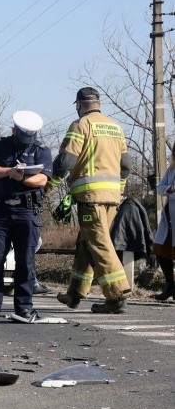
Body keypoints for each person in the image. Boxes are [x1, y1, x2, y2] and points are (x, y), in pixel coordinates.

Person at [49, 87, 133, 314]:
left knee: (99, 243)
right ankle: (75, 293)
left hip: (90, 198)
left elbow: (64, 163)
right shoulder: (116, 128)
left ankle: (118, 293)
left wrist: (47, 188)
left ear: (78, 105)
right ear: (99, 103)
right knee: (87, 243)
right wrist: (120, 191)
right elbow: (126, 166)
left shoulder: (81, 125)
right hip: (112, 198)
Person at [0, 110, 53, 322]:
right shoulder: (0, 145)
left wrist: (21, 179)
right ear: (14, 130)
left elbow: (42, 180)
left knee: (25, 262)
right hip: (0, 211)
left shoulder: (41, 150)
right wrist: (9, 172)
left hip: (26, 212)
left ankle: (24, 307)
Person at [152, 150, 175, 301]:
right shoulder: (171, 169)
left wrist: (170, 190)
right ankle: (170, 285)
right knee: (160, 250)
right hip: (169, 217)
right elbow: (160, 188)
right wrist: (171, 189)